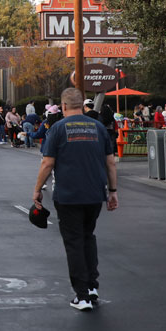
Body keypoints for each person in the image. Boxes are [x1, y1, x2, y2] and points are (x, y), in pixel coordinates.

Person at [32, 88, 117, 311]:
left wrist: (37, 189)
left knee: (74, 242)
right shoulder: (98, 127)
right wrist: (113, 191)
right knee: (88, 236)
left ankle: (82, 295)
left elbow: (47, 163)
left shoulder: (58, 129)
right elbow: (110, 162)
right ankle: (91, 286)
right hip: (94, 194)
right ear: (81, 104)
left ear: (64, 106)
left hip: (69, 195)